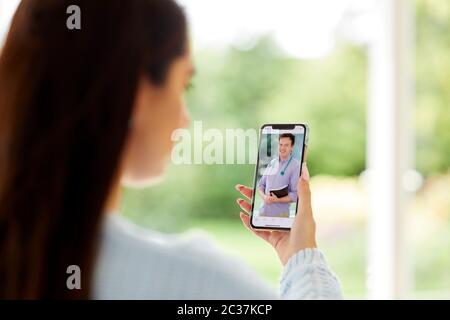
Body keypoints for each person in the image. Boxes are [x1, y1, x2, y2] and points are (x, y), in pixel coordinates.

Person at [0, 0, 342, 299]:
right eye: (184, 84)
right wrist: (303, 256)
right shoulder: (195, 282)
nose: (184, 120)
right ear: (136, 93)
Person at [257, 133, 301, 218]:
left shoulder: (296, 166)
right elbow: (261, 185)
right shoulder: (272, 162)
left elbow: (295, 195)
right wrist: (265, 197)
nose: (282, 148)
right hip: (263, 212)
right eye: (280, 144)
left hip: (280, 215)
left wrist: (277, 200)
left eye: (286, 145)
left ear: (292, 147)